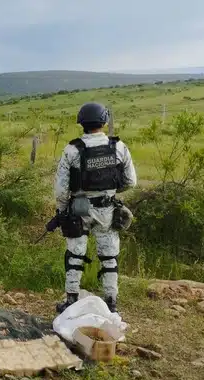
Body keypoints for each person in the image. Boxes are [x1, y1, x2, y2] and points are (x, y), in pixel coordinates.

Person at [52, 102, 137, 314]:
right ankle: (111, 301)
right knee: (109, 257)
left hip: (79, 207)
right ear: (104, 121)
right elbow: (130, 181)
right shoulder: (119, 147)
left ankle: (71, 299)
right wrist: (110, 192)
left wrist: (62, 211)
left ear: (82, 123)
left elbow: (61, 190)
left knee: (74, 254)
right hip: (108, 208)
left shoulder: (72, 149)